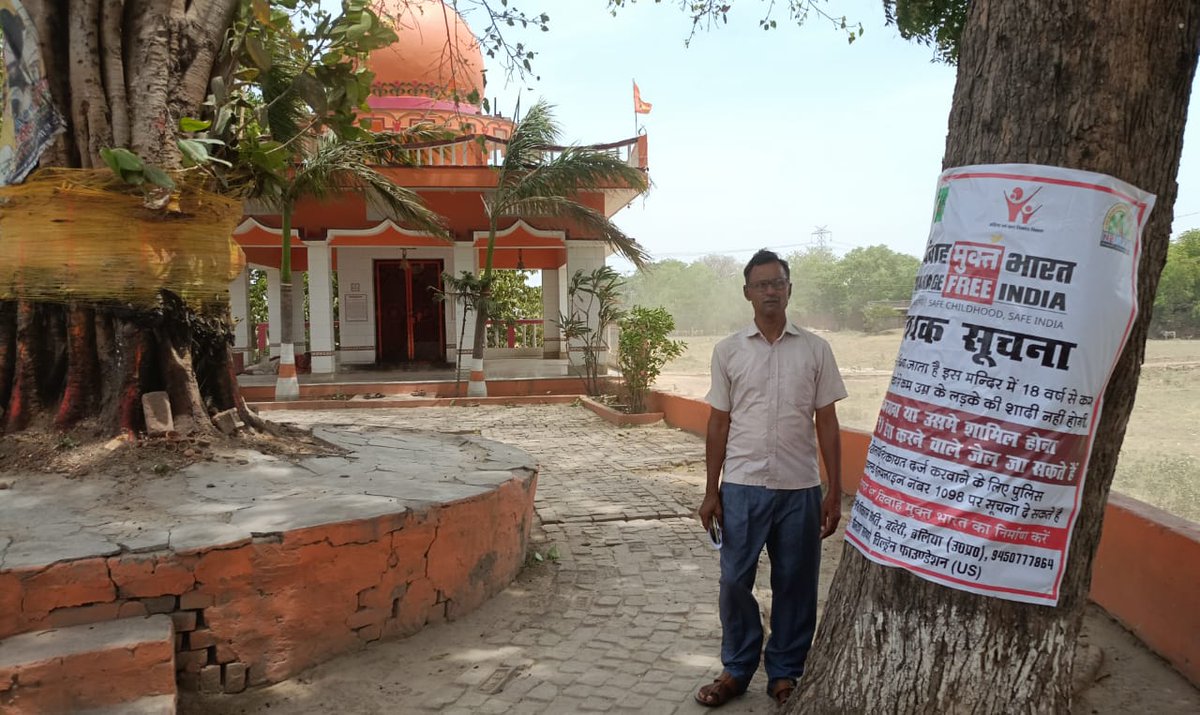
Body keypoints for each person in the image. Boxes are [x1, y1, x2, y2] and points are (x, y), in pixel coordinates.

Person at [695, 249, 847, 708]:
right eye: (761, 284)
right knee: (734, 580)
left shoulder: (816, 349)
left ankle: (785, 672)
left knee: (796, 582)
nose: (770, 291)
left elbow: (828, 423)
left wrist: (833, 490)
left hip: (800, 488)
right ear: (747, 293)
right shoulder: (728, 351)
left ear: (789, 289)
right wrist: (710, 490)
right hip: (741, 486)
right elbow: (718, 422)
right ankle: (737, 668)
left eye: (777, 283)